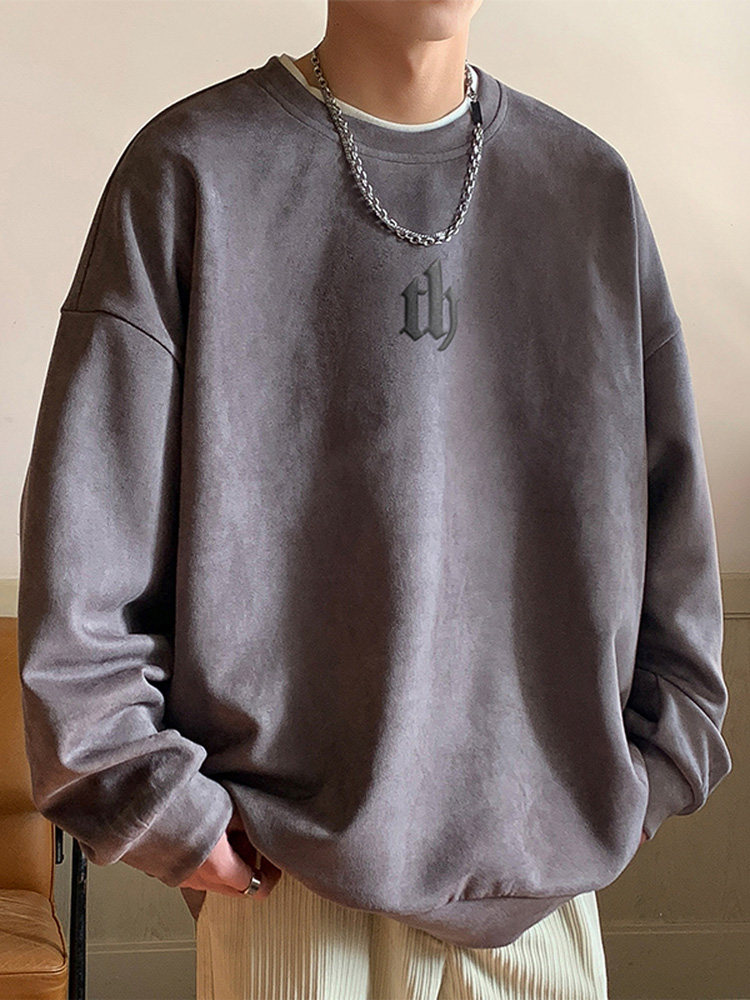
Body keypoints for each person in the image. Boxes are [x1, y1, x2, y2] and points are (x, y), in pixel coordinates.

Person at [17, 1, 732, 998]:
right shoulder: (192, 171)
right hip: (287, 884)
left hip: (546, 878)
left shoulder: (587, 189)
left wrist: (650, 772)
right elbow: (88, 547)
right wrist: (164, 808)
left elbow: (673, 534)